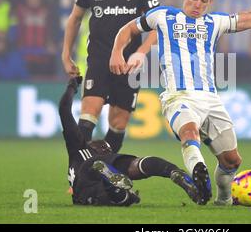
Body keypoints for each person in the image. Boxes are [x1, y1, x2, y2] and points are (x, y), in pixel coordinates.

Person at [110, 0, 251, 205]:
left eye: (204, 1)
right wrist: (117, 52)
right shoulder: (163, 16)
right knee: (189, 132)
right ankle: (198, 171)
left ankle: (224, 200)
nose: (198, 5)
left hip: (210, 99)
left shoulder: (216, 22)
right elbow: (128, 29)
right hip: (178, 96)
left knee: (232, 161)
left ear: (210, 1)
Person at [61, 0, 160, 152]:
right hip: (98, 59)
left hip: (129, 65)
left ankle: (106, 172)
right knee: (88, 117)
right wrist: (65, 54)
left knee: (118, 123)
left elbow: (158, 24)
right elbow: (74, 19)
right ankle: (77, 174)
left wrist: (141, 52)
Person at [59, 76, 201, 206]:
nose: (106, 148)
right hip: (96, 183)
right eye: (105, 148)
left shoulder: (79, 149)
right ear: (97, 148)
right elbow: (65, 111)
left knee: (112, 169)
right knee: (134, 165)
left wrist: (72, 87)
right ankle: (171, 171)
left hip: (88, 195)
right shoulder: (81, 146)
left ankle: (120, 191)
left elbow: (64, 110)